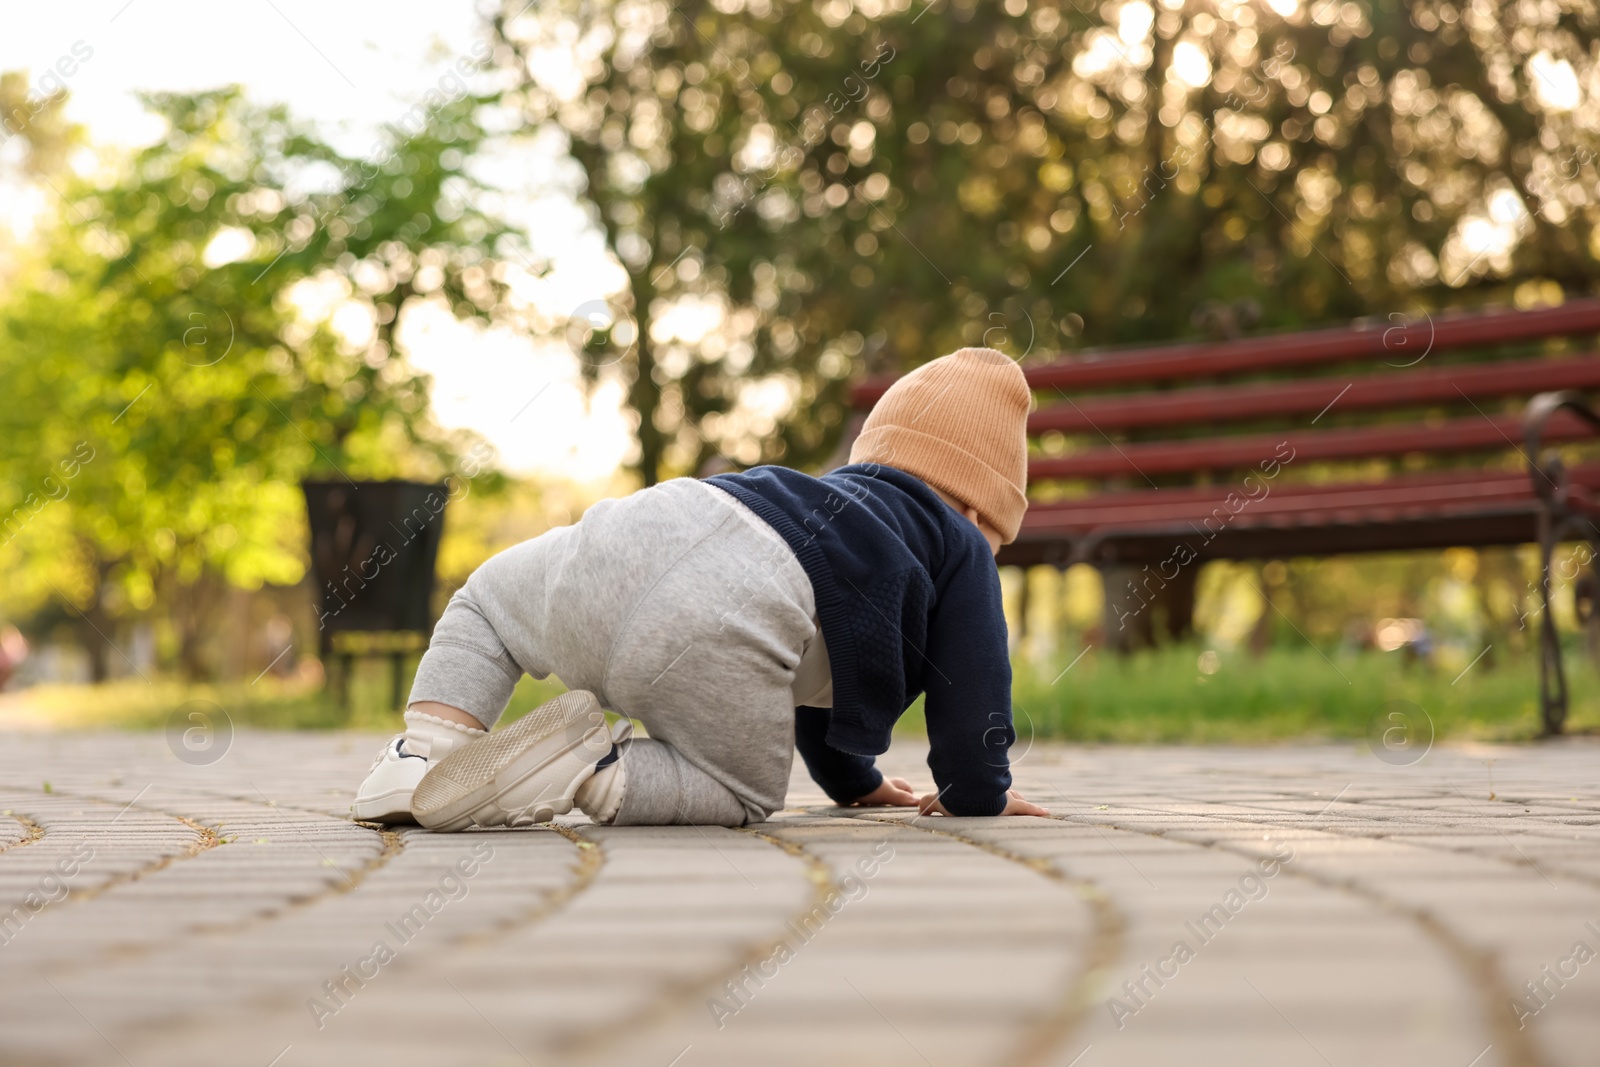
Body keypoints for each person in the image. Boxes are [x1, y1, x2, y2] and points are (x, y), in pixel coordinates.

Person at [353, 346, 1050, 829]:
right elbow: (974, 684)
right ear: (977, 511)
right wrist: (976, 791)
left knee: (488, 599)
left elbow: (820, 670)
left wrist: (855, 782)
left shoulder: (826, 507)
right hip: (729, 609)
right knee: (742, 788)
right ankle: (592, 770)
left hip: (646, 527)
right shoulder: (957, 543)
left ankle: (424, 750)